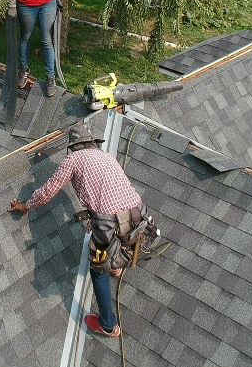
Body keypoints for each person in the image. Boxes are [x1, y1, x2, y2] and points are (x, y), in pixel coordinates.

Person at [9, 124, 160, 339]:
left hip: (109, 226)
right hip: (138, 214)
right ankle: (116, 266)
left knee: (98, 270)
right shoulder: (106, 157)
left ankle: (108, 325)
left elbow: (48, 191)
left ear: (73, 147)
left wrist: (26, 205)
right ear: (91, 142)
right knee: (126, 238)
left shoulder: (73, 160)